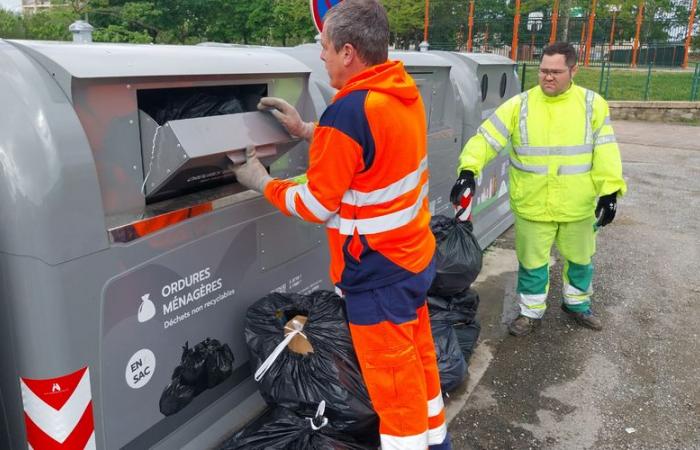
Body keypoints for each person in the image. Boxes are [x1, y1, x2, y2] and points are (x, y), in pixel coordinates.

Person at [231, 1, 451, 448]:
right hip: (412, 258)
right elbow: (372, 148)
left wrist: (262, 183)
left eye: (325, 48)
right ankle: (438, 441)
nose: (321, 56)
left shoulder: (349, 112)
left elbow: (315, 203)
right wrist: (309, 129)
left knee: (392, 388)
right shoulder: (399, 93)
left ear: (348, 52)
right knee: (418, 364)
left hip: (376, 273)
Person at [450, 42, 626, 337]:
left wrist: (610, 192)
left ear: (573, 70)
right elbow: (486, 138)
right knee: (532, 262)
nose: (548, 77)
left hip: (577, 204)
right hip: (533, 203)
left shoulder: (592, 104)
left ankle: (577, 304)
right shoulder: (520, 105)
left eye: (556, 72)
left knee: (581, 259)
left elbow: (606, 150)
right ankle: (530, 313)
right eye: (543, 70)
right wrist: (468, 169)